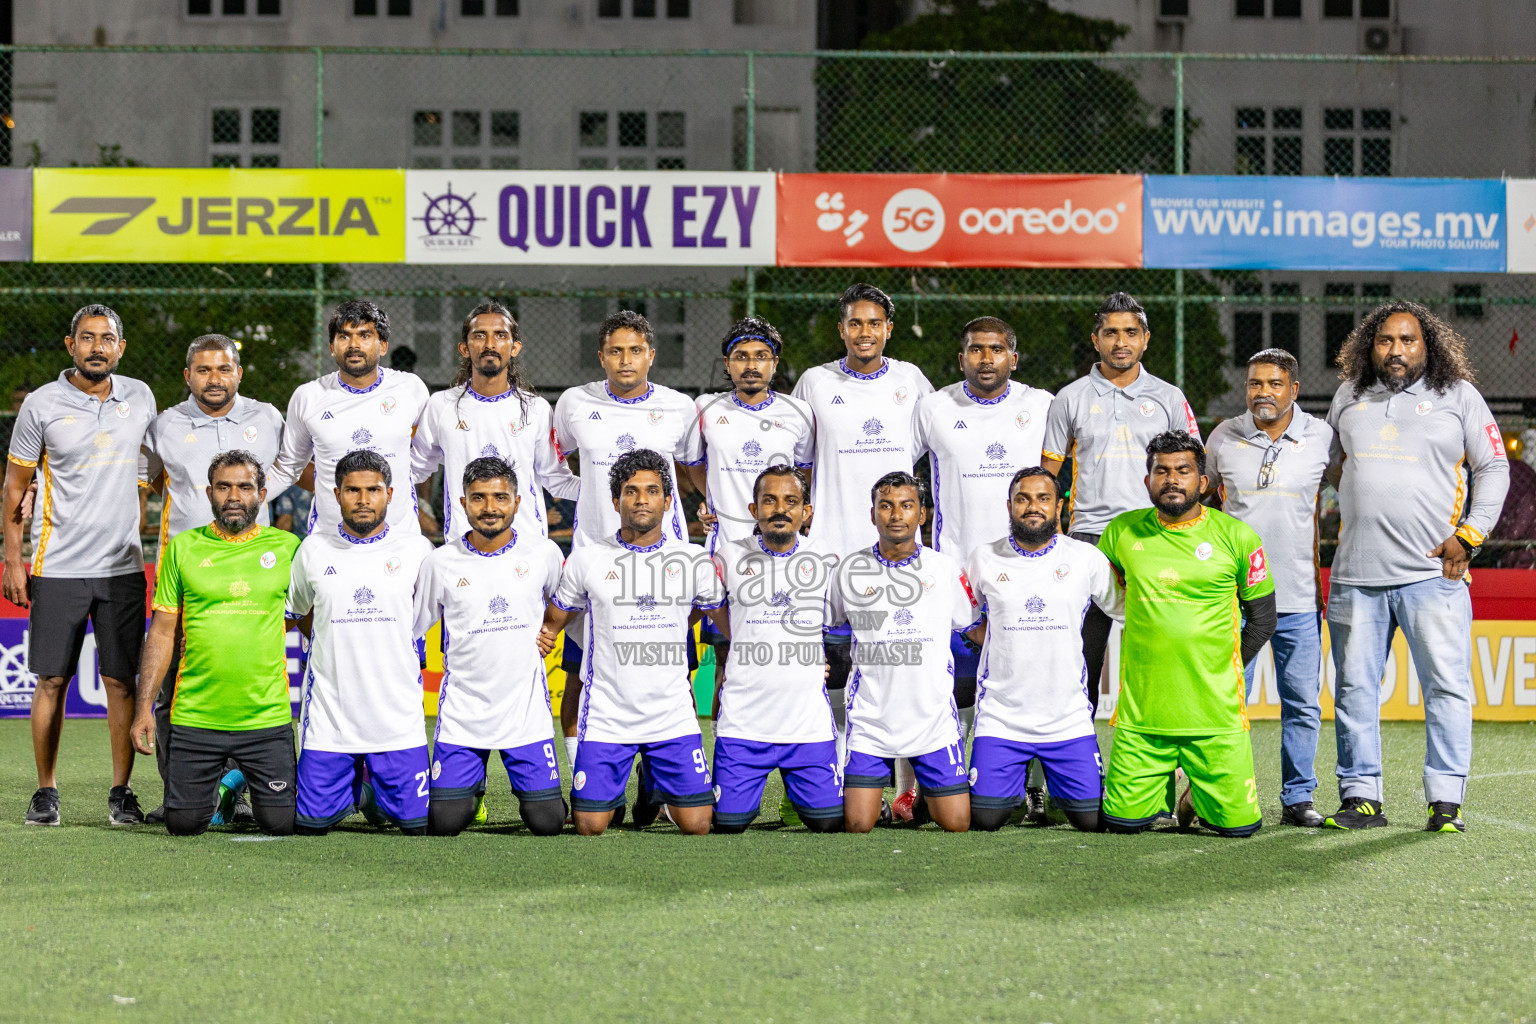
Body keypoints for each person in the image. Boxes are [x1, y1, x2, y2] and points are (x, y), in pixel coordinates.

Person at [1323, 302, 1509, 833]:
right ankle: (1362, 797)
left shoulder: (1459, 397)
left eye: (1408, 340)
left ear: (1428, 346)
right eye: (1386, 340)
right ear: (1370, 346)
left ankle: (1445, 801)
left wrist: (1470, 536)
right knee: (1355, 689)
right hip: (1356, 575)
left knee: (1446, 687)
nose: (1396, 350)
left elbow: (1493, 467)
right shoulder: (1349, 396)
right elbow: (1330, 465)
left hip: (1434, 576)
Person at [4, 304, 156, 827]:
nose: (97, 347)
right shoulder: (42, 404)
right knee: (51, 680)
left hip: (121, 568)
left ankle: (121, 792)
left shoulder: (140, 396)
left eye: (106, 338)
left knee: (121, 681)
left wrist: (139, 500)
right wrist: (13, 559)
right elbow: (14, 488)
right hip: (57, 565)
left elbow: (148, 465)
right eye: (87, 338)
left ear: (121, 347)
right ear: (70, 345)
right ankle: (46, 791)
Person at [536, 449, 726, 837]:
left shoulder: (694, 560)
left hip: (671, 714)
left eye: (653, 491)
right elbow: (555, 618)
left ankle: (655, 789)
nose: (642, 500)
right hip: (608, 714)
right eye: (631, 491)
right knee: (590, 826)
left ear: (668, 501)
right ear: (615, 500)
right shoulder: (588, 559)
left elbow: (726, 623)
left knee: (699, 825)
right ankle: (621, 790)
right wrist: (544, 636)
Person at [1097, 431, 1276, 837]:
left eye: (1183, 470)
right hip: (1143, 719)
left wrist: (1223, 665)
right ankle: (1157, 789)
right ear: (1148, 481)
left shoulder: (1238, 537)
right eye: (1161, 470)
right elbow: (1100, 603)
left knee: (1238, 831)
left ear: (1203, 482)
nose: (1172, 479)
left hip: (1215, 717)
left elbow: (1264, 619)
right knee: (1120, 827)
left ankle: (1193, 794)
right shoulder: (1121, 533)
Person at [140, 333, 286, 825]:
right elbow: (146, 481)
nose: (214, 379)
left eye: (223, 369)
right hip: (189, 573)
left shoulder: (268, 418)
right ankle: (178, 789)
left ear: (238, 373)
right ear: (188, 376)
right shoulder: (164, 426)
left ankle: (236, 793)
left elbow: (296, 471)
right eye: (203, 370)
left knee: (239, 683)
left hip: (252, 570)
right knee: (171, 691)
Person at [551, 310, 703, 774]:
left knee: (674, 674)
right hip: (596, 564)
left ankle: (659, 782)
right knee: (580, 677)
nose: (625, 359)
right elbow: (552, 465)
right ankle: (584, 776)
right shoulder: (575, 402)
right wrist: (590, 494)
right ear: (601, 357)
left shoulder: (680, 406)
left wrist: (711, 508)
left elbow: (696, 468)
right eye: (615, 351)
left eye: (635, 350)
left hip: (664, 564)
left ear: (651, 356)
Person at [791, 283, 932, 776]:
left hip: (895, 551)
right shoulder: (813, 382)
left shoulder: (912, 381)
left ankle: (911, 786)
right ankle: (829, 774)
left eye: (875, 323)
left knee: (903, 667)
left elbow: (928, 453)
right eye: (855, 323)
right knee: (828, 668)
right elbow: (798, 462)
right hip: (830, 549)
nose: (865, 332)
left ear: (889, 329)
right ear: (842, 329)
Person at [913, 315, 1054, 810]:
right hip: (954, 575)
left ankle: (1033, 787)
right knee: (942, 688)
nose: (986, 358)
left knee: (1030, 683)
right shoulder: (932, 408)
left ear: (1013, 358)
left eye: (996, 350)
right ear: (961, 358)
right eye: (976, 349)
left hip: (1026, 571)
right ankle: (927, 788)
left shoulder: (1041, 406)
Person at [1041, 292, 1199, 720]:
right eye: (1111, 332)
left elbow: (1191, 471)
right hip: (1090, 540)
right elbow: (1048, 479)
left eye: (1131, 332)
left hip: (1157, 538)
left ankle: (1163, 773)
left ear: (1146, 339)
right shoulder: (1069, 398)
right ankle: (1075, 778)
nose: (1121, 341)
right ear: (1096, 340)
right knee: (1081, 663)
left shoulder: (1169, 397)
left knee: (1161, 661)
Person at [128, 451, 301, 836]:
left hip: (266, 719)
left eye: (244, 487)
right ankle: (224, 787)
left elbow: (311, 622)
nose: (234, 496)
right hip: (195, 719)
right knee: (184, 824)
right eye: (224, 487)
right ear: (209, 493)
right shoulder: (183, 548)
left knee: (282, 823)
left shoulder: (289, 548)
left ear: (262, 493)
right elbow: (160, 633)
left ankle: (237, 779)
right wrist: (143, 710)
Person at [1203, 347, 1333, 828]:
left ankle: (1298, 798)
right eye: (1255, 384)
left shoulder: (1322, 437)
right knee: (1226, 701)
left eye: (1274, 384)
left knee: (1301, 704)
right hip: (1236, 599)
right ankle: (1212, 793)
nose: (1263, 392)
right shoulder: (1224, 437)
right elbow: (1199, 503)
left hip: (1299, 597)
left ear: (1293, 389)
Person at [412, 457, 568, 837]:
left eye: (500, 497)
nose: (490, 508)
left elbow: (569, 599)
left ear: (517, 503)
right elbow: (415, 625)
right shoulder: (441, 562)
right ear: (463, 503)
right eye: (478, 498)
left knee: (547, 823)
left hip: (525, 714)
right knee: (444, 823)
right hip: (464, 713)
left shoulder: (543, 553)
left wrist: (551, 627)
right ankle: (471, 790)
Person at [965, 467, 1122, 833]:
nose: (1032, 507)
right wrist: (996, 639)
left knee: (1093, 819)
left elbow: (1127, 608)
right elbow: (964, 616)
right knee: (985, 819)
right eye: (1023, 499)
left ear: (1060, 506)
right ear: (1009, 506)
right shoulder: (983, 558)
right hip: (1002, 717)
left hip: (1066, 717)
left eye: (1043, 499)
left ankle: (1059, 788)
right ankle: (1012, 788)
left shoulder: (1086, 558)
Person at [286, 450, 435, 835]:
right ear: (336, 494)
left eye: (373, 490)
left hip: (397, 721)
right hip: (329, 720)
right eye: (353, 490)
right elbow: (297, 610)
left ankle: (369, 791)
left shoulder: (417, 551)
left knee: (416, 827)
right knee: (311, 825)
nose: (363, 499)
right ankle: (358, 793)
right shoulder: (312, 550)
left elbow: (425, 616)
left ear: (390, 493)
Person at [827, 471, 981, 834]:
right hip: (871, 721)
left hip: (933, 724)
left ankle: (926, 792)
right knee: (858, 824)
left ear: (921, 515)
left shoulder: (944, 569)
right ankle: (878, 799)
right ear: (873, 514)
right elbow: (826, 623)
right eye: (886, 506)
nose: (896, 515)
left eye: (906, 506)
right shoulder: (849, 570)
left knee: (957, 824)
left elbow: (973, 627)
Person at [685, 316, 815, 696]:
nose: (751, 364)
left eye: (761, 355)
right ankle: (726, 750)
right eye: (741, 356)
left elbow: (804, 474)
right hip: (726, 549)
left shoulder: (798, 412)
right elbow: (691, 463)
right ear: (727, 364)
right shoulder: (706, 408)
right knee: (729, 658)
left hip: (781, 553)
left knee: (785, 650)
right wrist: (709, 499)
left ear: (774, 363)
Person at [709, 465, 842, 833]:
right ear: (754, 510)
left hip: (807, 725)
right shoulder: (727, 558)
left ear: (806, 512)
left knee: (828, 823)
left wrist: (818, 657)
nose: (779, 509)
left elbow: (843, 619)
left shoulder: (827, 561)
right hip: (744, 724)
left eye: (791, 501)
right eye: (769, 500)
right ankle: (672, 798)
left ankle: (801, 795)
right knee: (726, 823)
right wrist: (742, 639)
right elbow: (706, 607)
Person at [411, 301, 579, 544]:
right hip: (462, 548)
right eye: (480, 335)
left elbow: (557, 479)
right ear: (464, 348)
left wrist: (609, 490)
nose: (490, 344)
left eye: (500, 335)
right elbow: (414, 471)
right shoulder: (441, 406)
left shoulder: (537, 409)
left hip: (527, 550)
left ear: (515, 347)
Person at [267, 300, 431, 540]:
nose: (354, 345)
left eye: (365, 335)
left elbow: (426, 454)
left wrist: (402, 477)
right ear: (332, 347)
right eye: (344, 337)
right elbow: (289, 467)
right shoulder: (308, 397)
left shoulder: (411, 389)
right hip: (329, 538)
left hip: (400, 538)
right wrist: (245, 499)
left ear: (383, 345)